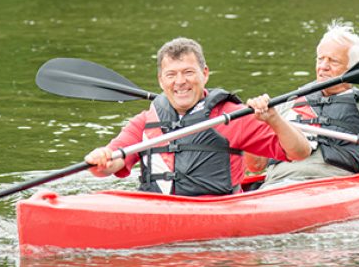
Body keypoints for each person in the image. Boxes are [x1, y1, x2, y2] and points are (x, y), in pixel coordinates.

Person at [84, 37, 311, 196]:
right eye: (171, 74)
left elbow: (300, 152)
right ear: (161, 80)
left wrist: (275, 120)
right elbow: (111, 165)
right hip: (156, 208)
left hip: (218, 218)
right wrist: (101, 159)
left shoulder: (232, 116)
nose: (180, 81)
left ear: (205, 74)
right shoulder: (145, 121)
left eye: (188, 72)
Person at [247, 23, 359, 188]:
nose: (323, 67)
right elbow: (256, 165)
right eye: (320, 59)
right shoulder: (282, 108)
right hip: (276, 187)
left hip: (331, 188)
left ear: (353, 69)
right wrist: (251, 126)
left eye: (333, 61)